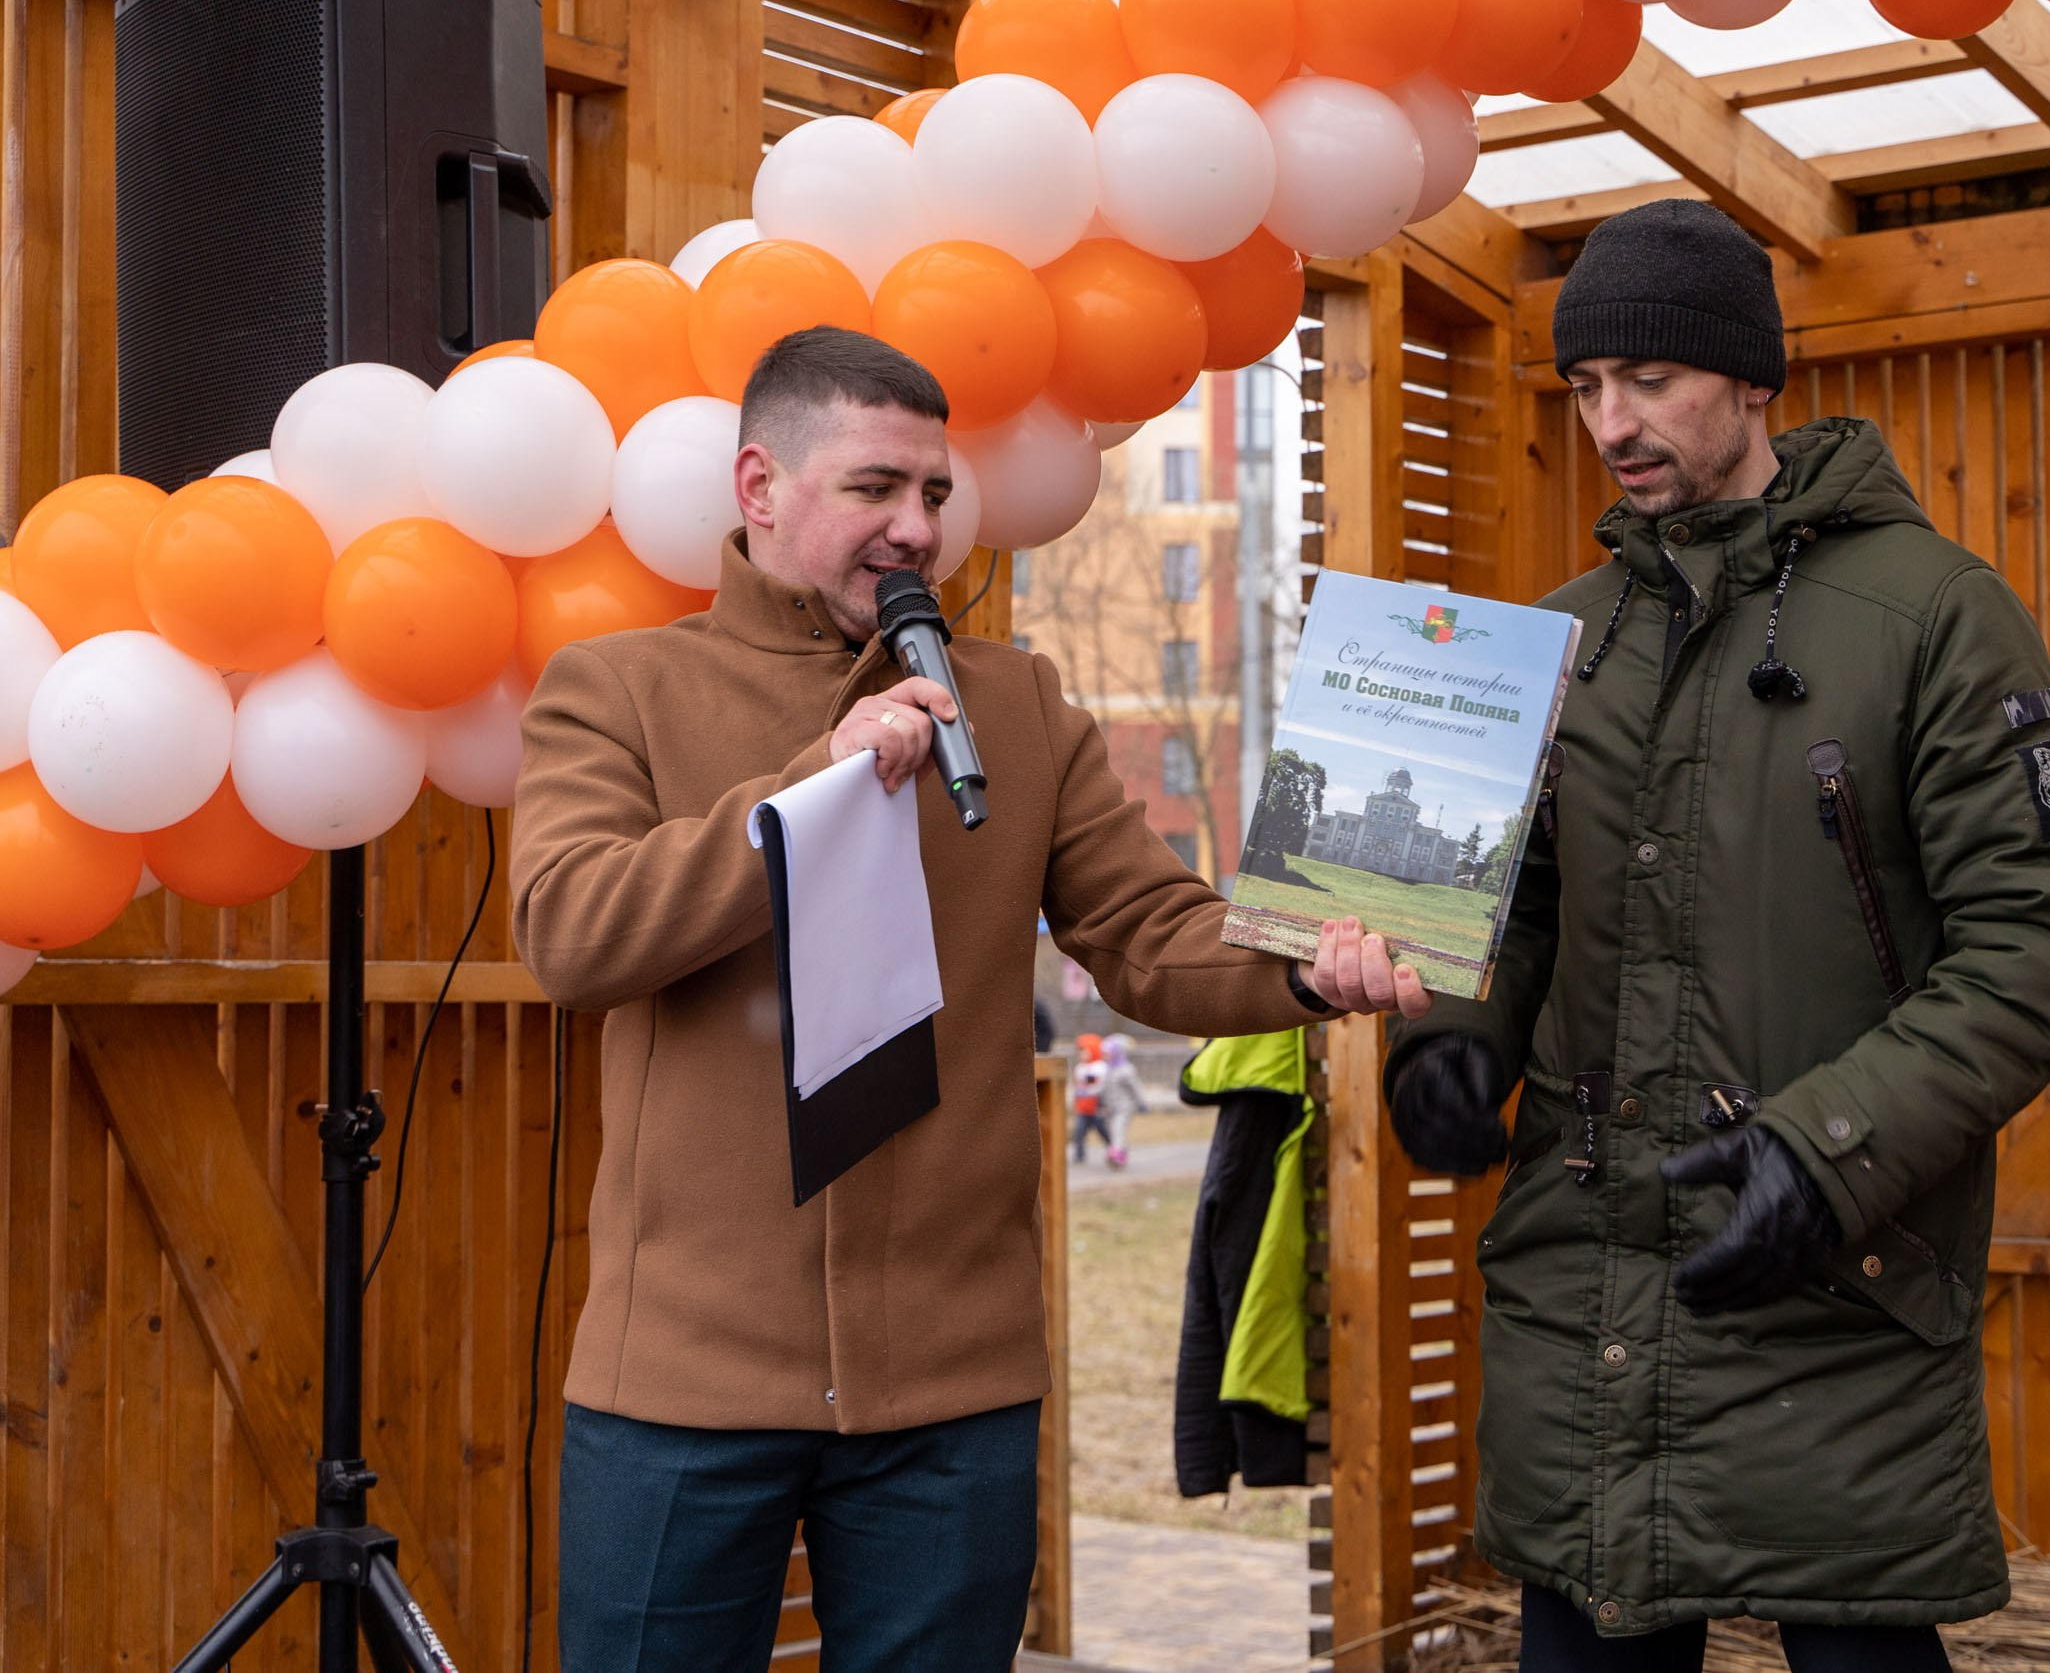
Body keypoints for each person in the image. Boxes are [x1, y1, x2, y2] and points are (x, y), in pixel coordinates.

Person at [509, 325, 1430, 1673]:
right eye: (874, 486)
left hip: (955, 1389)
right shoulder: (617, 689)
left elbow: (1147, 929)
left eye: (934, 494)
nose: (916, 527)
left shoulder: (1018, 700)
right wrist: (809, 796)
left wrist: (1302, 964)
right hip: (682, 1387)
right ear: (759, 487)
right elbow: (575, 931)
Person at [1382, 200, 2050, 1672]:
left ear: (1751, 378)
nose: (1611, 422)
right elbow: (1510, 899)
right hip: (1587, 1280)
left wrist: (1823, 1147)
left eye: (1648, 380)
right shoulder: (1560, 634)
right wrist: (1450, 1037)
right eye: (1586, 388)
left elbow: (2041, 933)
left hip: (1822, 1276)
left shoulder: (1933, 615)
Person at [1097, 1033, 1145, 1169]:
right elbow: (1104, 1088)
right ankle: (1120, 1152)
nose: (1105, 1056)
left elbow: (1136, 1088)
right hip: (1110, 1107)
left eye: (1107, 1053)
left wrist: (1141, 1102)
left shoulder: (1126, 1070)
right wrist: (1100, 1102)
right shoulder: (1107, 1069)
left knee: (1118, 1129)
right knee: (1112, 1132)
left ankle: (1116, 1155)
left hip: (1124, 1107)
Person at [1070, 1033, 1108, 1164]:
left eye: (1083, 1051)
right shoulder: (1079, 1068)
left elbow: (1098, 1084)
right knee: (1079, 1131)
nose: (1080, 1055)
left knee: (1102, 1130)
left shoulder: (1101, 1067)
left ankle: (1113, 1147)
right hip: (1082, 1106)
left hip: (1096, 1105)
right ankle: (1079, 1155)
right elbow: (1077, 1086)